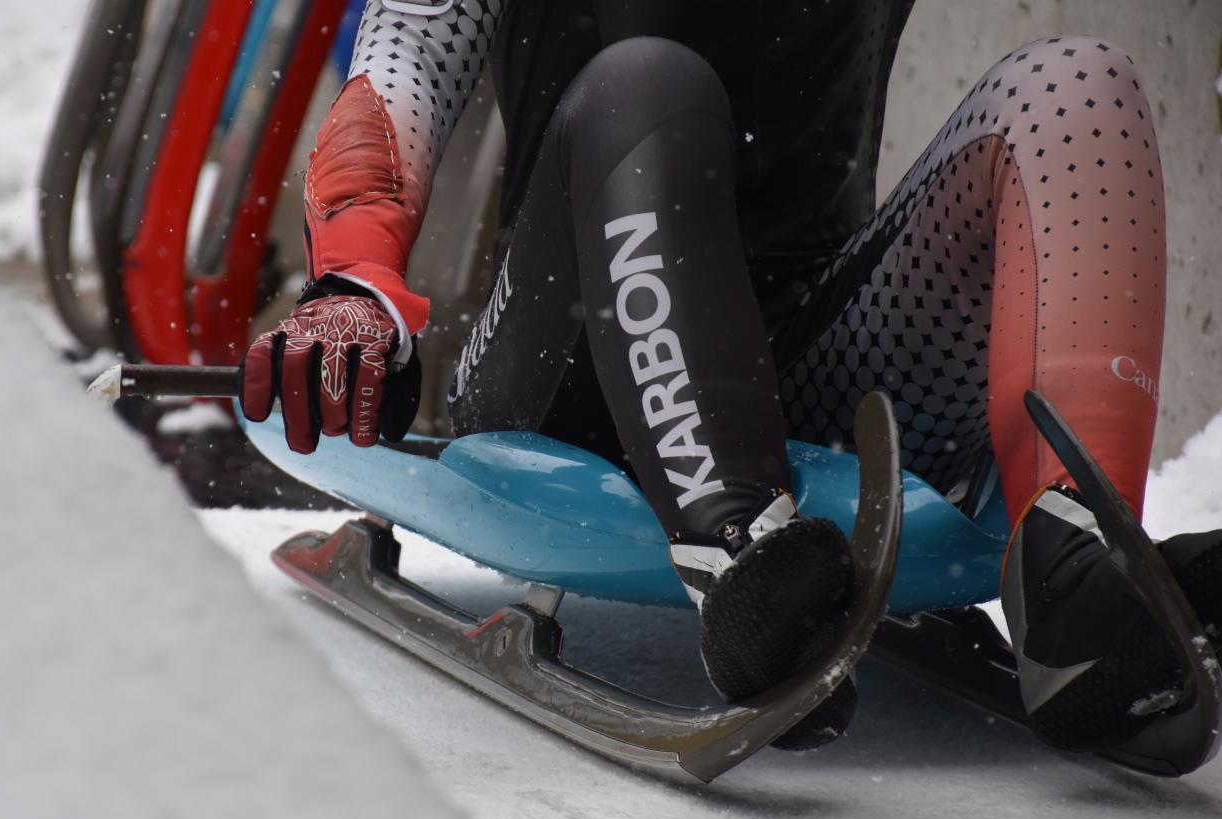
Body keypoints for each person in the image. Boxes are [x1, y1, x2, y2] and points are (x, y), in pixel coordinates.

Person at [239, 0, 1220, 752]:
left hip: (810, 361)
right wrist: (356, 278)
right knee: (645, 82)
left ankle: (1079, 571)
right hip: (572, 362)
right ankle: (743, 565)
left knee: (1077, 84)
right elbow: (409, 53)